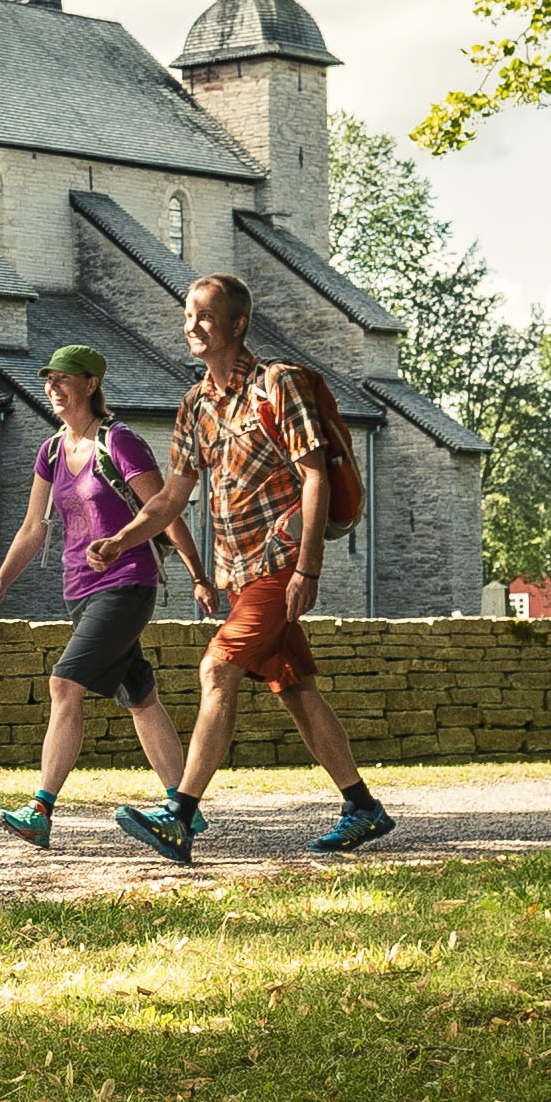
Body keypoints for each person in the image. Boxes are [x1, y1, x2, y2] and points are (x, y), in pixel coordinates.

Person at [90, 273, 393, 862]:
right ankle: (362, 806)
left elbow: (315, 477)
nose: (192, 326)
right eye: (187, 316)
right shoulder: (194, 406)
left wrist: (308, 569)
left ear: (237, 324)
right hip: (240, 574)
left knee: (217, 668)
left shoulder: (276, 386)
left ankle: (179, 814)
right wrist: (123, 538)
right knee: (297, 689)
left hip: (281, 565)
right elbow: (173, 498)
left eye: (205, 316)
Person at [0, 345, 207, 847]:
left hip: (127, 581)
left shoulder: (119, 441)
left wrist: (198, 575)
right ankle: (183, 805)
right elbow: (33, 528)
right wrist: (1, 582)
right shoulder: (51, 451)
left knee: (64, 684)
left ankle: (41, 808)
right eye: (48, 380)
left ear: (90, 384)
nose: (53, 388)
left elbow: (164, 508)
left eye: (64, 379)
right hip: (79, 591)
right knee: (140, 697)